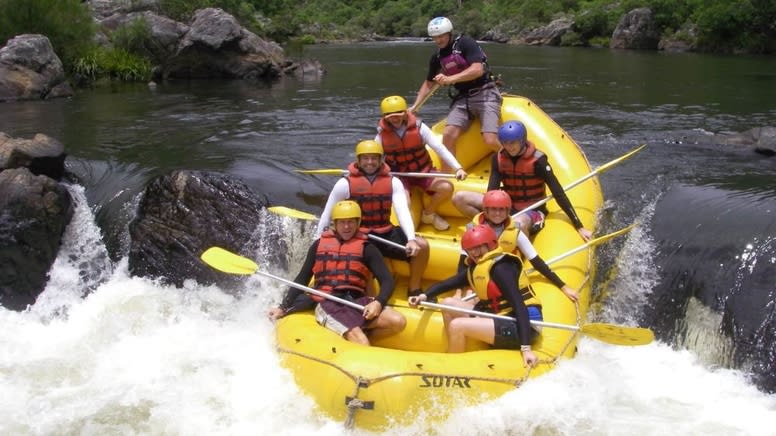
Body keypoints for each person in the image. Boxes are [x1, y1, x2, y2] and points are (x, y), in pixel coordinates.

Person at [409, 224, 576, 367]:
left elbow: (519, 305)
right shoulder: (476, 268)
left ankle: (454, 367)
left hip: (522, 326)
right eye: (470, 250)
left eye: (478, 247)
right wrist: (424, 295)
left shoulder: (501, 268)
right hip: (500, 317)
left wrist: (526, 349)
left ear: (490, 245)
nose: (474, 253)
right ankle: (458, 349)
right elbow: (448, 284)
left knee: (457, 325)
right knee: (447, 303)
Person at [269, 200, 406, 345]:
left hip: (355, 303)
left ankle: (357, 338)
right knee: (362, 341)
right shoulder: (318, 245)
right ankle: (359, 340)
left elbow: (387, 280)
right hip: (328, 303)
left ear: (358, 222)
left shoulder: (367, 248)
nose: (346, 227)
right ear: (335, 223)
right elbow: (302, 279)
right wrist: (283, 307)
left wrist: (378, 302)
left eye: (351, 222)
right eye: (342, 222)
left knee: (398, 322)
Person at [315, 140, 430, 296]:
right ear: (359, 160)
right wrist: (318, 242)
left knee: (422, 246)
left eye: (374, 158)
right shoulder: (344, 184)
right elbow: (327, 215)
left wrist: (411, 238)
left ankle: (414, 289)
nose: (370, 162)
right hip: (359, 236)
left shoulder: (393, 182)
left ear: (381, 159)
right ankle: (369, 299)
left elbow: (402, 211)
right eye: (366, 158)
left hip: (386, 232)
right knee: (362, 260)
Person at [452, 120, 593, 242]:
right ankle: (491, 230)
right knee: (459, 198)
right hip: (507, 206)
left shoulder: (538, 161)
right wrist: (492, 213)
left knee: (518, 223)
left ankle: (520, 252)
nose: (510, 147)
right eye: (505, 143)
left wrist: (579, 226)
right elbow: (492, 191)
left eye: (513, 142)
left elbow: (558, 192)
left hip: (532, 210)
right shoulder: (498, 159)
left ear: (522, 140)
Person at [409, 16, 502, 159]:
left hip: (485, 93)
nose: (438, 40)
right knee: (448, 136)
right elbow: (428, 83)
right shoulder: (437, 57)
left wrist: (449, 79)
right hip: (463, 98)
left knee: (489, 140)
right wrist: (415, 106)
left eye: (441, 36)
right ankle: (450, 176)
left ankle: (512, 160)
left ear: (449, 33)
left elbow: (477, 70)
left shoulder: (466, 43)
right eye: (435, 37)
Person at [375, 95, 468, 231]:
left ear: (405, 113)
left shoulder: (420, 128)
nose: (395, 118)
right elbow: (375, 159)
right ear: (385, 117)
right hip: (400, 175)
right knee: (403, 202)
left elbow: (439, 148)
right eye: (390, 116)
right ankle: (407, 234)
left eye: (399, 114)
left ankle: (428, 214)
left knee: (446, 187)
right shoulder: (381, 135)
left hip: (423, 171)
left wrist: (458, 168)